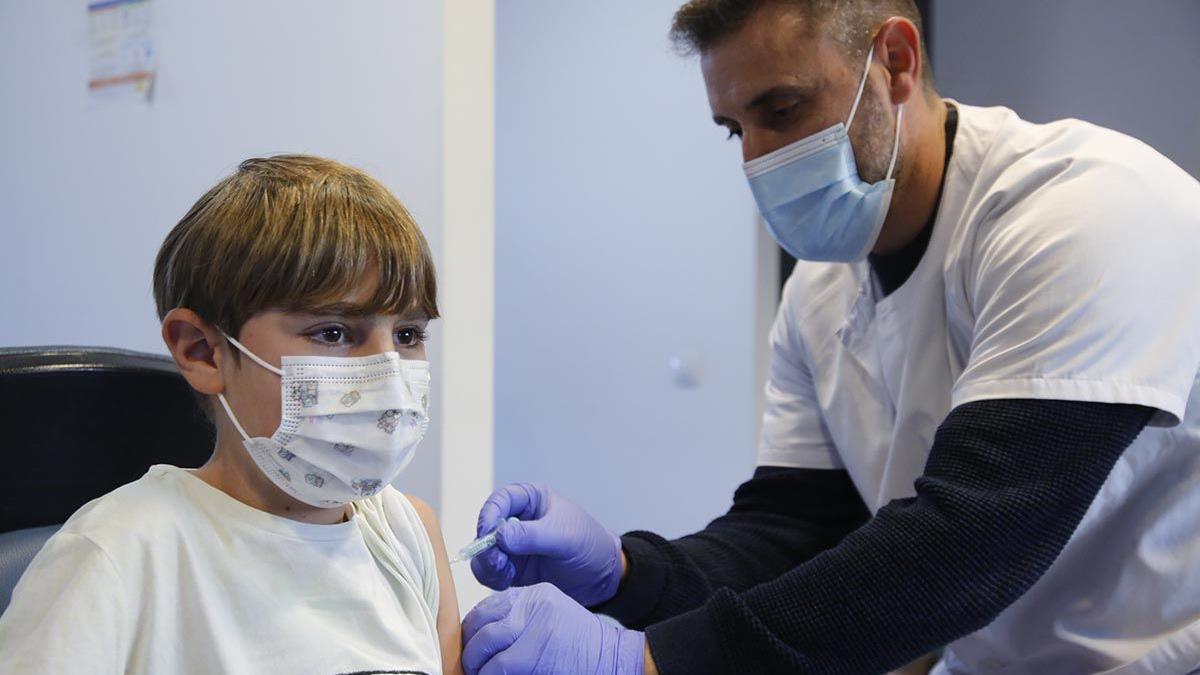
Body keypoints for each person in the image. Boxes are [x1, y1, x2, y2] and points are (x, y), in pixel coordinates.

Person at [460, 1, 1200, 674]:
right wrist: (627, 572)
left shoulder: (1085, 212)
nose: (755, 158)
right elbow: (795, 529)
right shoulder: (820, 289)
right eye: (734, 129)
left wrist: (652, 660)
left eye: (781, 108)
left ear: (897, 62)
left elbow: (974, 539)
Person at [0, 155, 463, 675]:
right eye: (333, 332)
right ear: (203, 351)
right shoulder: (119, 555)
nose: (387, 373)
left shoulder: (407, 533)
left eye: (408, 335)